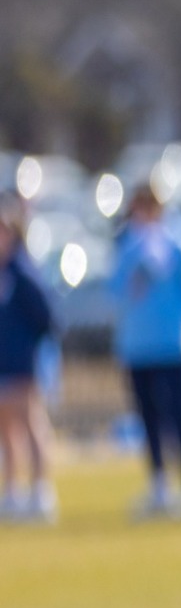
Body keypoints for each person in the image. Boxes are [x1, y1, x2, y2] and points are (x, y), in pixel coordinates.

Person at [110, 185, 181, 520]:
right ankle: (159, 484)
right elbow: (114, 289)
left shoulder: (180, 238)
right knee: (148, 419)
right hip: (138, 346)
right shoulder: (128, 242)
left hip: (173, 344)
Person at [0, 192, 55, 523]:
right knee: (5, 430)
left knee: (31, 425)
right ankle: (12, 490)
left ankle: (41, 490)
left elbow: (46, 317)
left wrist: (27, 348)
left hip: (22, 365)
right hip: (2, 363)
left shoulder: (22, 271)